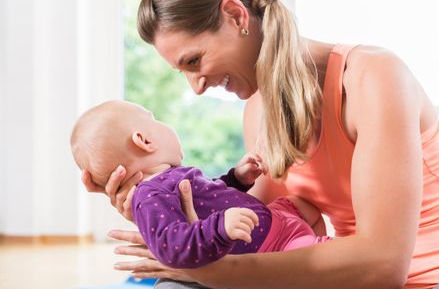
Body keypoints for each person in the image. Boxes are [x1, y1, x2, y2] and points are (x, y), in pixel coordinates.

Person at [81, 0, 439, 289]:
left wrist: (216, 271)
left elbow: (383, 264)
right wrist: (156, 208)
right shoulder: (259, 112)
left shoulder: (372, 77)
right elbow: (259, 235)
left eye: (194, 60)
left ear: (236, 16)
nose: (196, 86)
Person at [71, 100, 330, 268]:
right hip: (272, 248)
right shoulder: (149, 196)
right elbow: (171, 245)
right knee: (322, 259)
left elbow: (212, 197)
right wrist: (219, 228)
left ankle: (312, 240)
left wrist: (237, 178)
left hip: (274, 220)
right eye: (155, 120)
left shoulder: (171, 178)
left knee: (302, 205)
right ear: (144, 140)